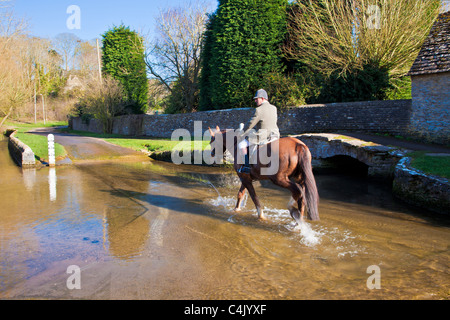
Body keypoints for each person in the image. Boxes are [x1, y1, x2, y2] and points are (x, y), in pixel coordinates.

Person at [237, 89, 280, 174]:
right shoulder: (274, 108)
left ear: (263, 98)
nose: (255, 100)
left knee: (242, 144)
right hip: (275, 134)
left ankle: (246, 167)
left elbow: (250, 123)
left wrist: (241, 132)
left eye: (257, 98)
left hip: (263, 135)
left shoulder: (259, 110)